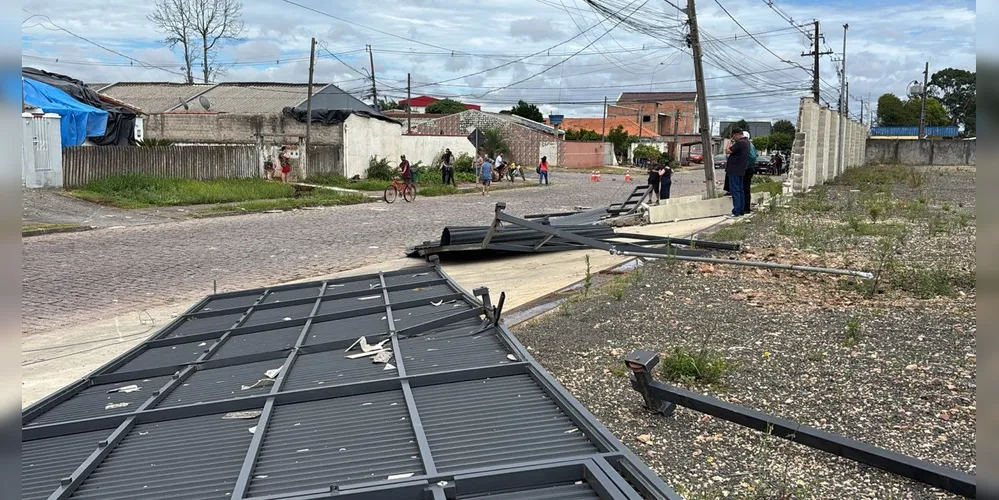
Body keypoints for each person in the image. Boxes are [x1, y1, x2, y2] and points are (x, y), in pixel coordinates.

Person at [724, 128, 750, 216]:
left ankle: (736, 211)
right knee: (740, 190)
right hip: (741, 170)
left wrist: (729, 142)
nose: (733, 138)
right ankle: (741, 210)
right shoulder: (747, 142)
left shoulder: (740, 143)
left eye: (733, 136)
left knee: (735, 191)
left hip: (734, 170)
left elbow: (727, 151)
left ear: (736, 134)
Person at [742, 131, 758, 214]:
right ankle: (745, 207)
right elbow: (756, 156)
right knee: (746, 188)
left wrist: (745, 165)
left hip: (746, 169)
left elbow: (752, 157)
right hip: (750, 168)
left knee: (744, 188)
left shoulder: (747, 145)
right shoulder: (751, 145)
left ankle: (745, 208)